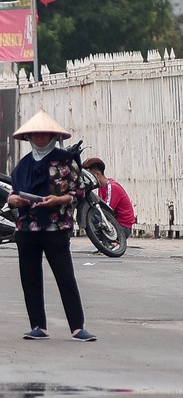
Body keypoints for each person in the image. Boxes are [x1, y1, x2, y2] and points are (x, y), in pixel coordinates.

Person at [7, 110, 96, 341]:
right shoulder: (23, 164)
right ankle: (38, 326)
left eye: (44, 134)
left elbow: (78, 191)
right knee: (30, 278)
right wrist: (14, 200)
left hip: (56, 228)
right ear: (28, 137)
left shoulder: (66, 161)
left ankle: (77, 327)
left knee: (65, 277)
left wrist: (59, 200)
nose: (39, 138)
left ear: (53, 136)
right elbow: (12, 193)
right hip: (26, 228)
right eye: (35, 134)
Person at [82, 157, 136, 240]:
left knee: (94, 217)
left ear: (97, 174)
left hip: (123, 227)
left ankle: (108, 241)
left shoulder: (112, 187)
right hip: (115, 224)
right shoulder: (101, 187)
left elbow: (107, 210)